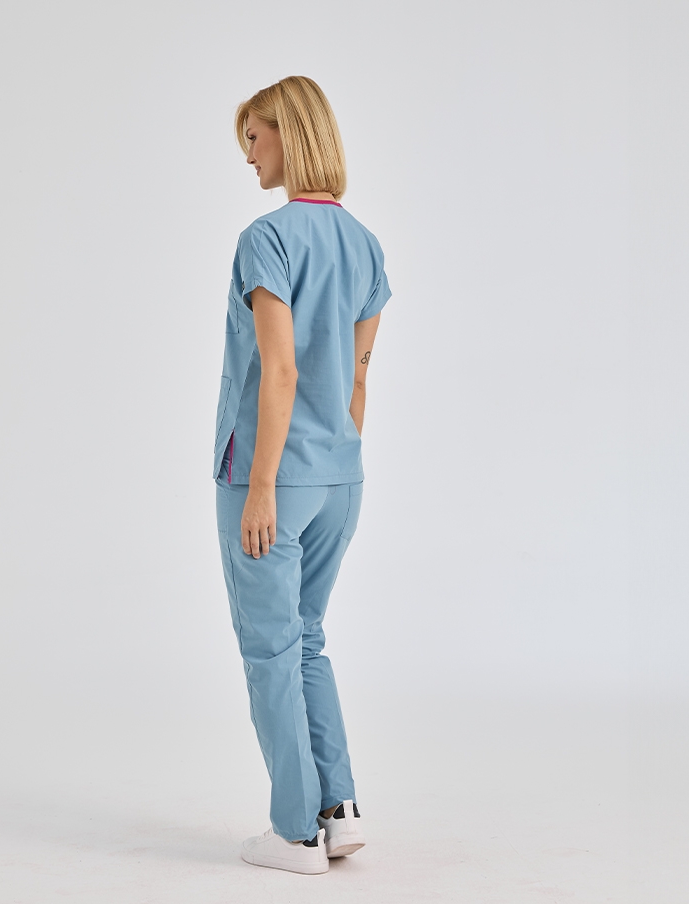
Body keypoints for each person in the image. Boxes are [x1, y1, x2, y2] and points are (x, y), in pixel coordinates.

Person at [213, 75, 391, 875]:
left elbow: (279, 370)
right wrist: (337, 462)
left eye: (255, 137)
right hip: (340, 478)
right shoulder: (366, 244)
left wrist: (260, 487)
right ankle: (338, 812)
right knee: (307, 638)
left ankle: (292, 834)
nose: (249, 155)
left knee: (269, 649)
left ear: (289, 132)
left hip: (274, 480)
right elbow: (357, 375)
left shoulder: (268, 238)